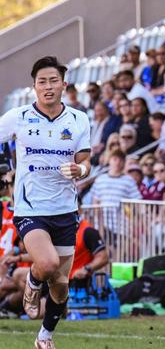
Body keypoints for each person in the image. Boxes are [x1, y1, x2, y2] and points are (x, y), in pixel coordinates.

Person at [0, 56, 91, 349]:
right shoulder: (19, 117)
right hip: (30, 209)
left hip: (65, 209)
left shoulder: (79, 119)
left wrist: (82, 170)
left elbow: (85, 159)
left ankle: (44, 337)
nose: (48, 86)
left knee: (62, 288)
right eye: (42, 82)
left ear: (63, 84)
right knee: (48, 264)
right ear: (34, 86)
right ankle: (32, 281)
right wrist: (4, 168)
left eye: (53, 81)